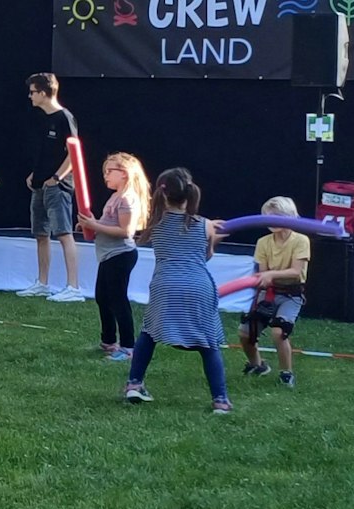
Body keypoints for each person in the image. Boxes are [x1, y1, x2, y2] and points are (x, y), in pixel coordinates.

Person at [121, 167, 230, 413]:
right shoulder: (206, 226)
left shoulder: (154, 224)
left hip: (165, 286)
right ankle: (220, 400)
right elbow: (204, 257)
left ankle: (134, 384)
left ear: (163, 193)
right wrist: (214, 235)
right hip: (197, 286)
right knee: (208, 343)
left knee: (149, 333)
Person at [76, 152, 148, 361]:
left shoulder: (127, 198)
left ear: (124, 173)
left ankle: (128, 347)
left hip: (121, 255)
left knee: (117, 300)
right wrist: (90, 224)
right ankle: (108, 340)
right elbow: (108, 224)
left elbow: (126, 231)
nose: (105, 176)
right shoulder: (116, 196)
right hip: (108, 255)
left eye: (109, 171)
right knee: (102, 297)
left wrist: (94, 225)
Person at [21, 72, 83, 301]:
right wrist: (34, 175)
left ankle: (73, 287)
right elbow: (48, 153)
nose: (30, 97)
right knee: (40, 234)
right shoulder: (43, 118)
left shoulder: (64, 117)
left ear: (44, 93)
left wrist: (56, 178)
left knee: (64, 233)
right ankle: (42, 283)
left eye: (33, 92)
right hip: (39, 184)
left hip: (58, 186)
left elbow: (74, 153)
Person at [239, 196, 310, 388]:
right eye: (267, 217)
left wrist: (271, 274)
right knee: (245, 333)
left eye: (276, 216)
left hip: (291, 295)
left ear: (288, 217)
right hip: (269, 292)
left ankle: (286, 373)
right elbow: (263, 273)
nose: (270, 221)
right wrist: (269, 276)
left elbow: (295, 273)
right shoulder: (263, 242)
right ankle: (258, 365)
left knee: (279, 331)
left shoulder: (301, 241)